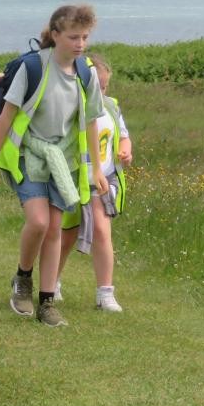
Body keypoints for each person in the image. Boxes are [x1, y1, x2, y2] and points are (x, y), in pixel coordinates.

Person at [0, 4, 109, 326]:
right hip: (29, 156)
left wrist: (94, 169)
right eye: (73, 37)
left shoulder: (86, 72)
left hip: (64, 161)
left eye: (85, 37)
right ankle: (23, 278)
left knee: (53, 228)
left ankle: (47, 303)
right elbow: (6, 119)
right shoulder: (33, 67)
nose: (80, 44)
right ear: (55, 35)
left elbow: (92, 121)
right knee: (38, 223)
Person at [57, 53, 132, 312]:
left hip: (102, 181)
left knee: (102, 230)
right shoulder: (70, 108)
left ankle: (105, 293)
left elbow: (123, 136)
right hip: (73, 180)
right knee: (65, 236)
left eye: (105, 86)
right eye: (96, 86)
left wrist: (126, 150)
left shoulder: (111, 106)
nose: (101, 91)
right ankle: (51, 282)